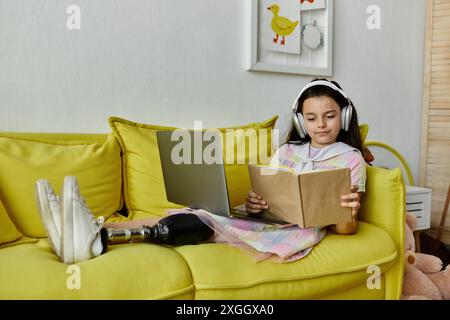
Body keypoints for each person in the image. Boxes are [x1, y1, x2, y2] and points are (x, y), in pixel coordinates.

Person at [35, 78, 366, 264]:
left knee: (203, 222)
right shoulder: (287, 151)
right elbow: (269, 194)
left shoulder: (350, 160)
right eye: (311, 118)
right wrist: (256, 202)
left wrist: (348, 212)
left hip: (295, 232)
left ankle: (97, 233)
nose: (320, 124)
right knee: (199, 212)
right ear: (300, 121)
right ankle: (92, 234)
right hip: (265, 221)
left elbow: (346, 229)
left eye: (329, 115)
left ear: (345, 117)